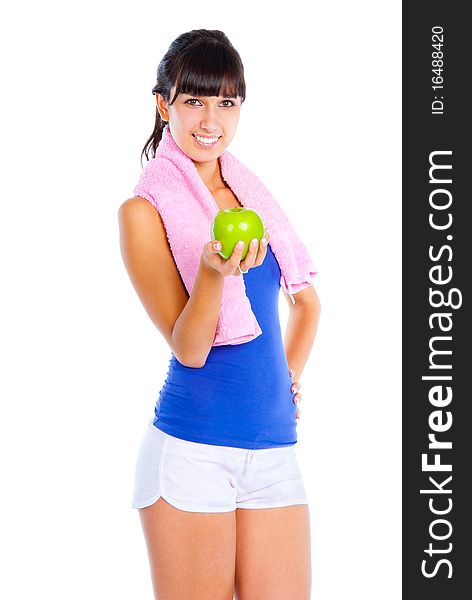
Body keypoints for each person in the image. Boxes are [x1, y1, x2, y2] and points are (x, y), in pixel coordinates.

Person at [118, 29, 321, 600]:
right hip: (192, 452)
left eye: (226, 103)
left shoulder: (254, 199)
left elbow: (307, 302)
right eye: (194, 101)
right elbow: (189, 347)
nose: (211, 120)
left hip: (275, 450)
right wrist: (212, 273)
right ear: (165, 105)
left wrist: (286, 379)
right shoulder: (143, 211)